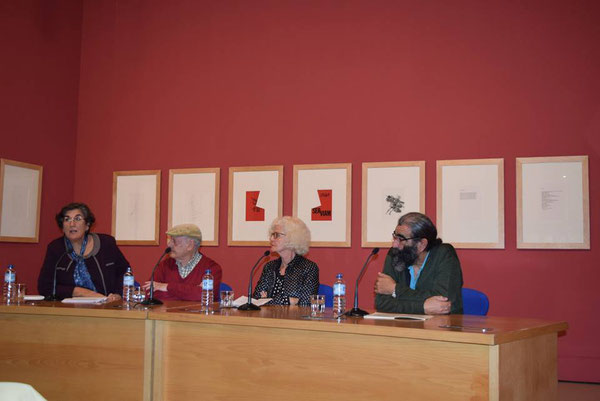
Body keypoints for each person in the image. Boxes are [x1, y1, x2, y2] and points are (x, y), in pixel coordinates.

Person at [374, 212, 463, 314]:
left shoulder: (444, 254)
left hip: (440, 326)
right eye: (395, 237)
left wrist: (395, 289)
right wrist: (422, 307)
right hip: (402, 327)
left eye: (401, 239)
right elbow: (381, 303)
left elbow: (443, 303)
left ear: (422, 244)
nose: (394, 245)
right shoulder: (395, 254)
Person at [38, 202, 129, 301]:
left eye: (77, 219)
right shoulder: (56, 248)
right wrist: (79, 292)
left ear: (87, 225)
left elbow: (124, 272)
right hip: (68, 311)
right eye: (67, 219)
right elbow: (45, 287)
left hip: (106, 307)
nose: (72, 224)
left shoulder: (106, 244)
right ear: (62, 227)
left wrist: (117, 294)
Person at [143, 224, 222, 301]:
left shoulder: (212, 268)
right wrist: (190, 293)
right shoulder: (164, 265)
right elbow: (148, 293)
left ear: (190, 245)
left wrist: (166, 287)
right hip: (167, 314)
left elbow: (203, 295)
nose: (169, 244)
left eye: (174, 241)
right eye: (170, 240)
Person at [252, 216, 319, 306]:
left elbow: (306, 303)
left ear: (292, 238)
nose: (271, 239)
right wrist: (289, 300)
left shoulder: (308, 268)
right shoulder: (269, 267)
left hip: (293, 319)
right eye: (272, 235)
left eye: (276, 235)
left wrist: (267, 300)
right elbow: (256, 299)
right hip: (267, 319)